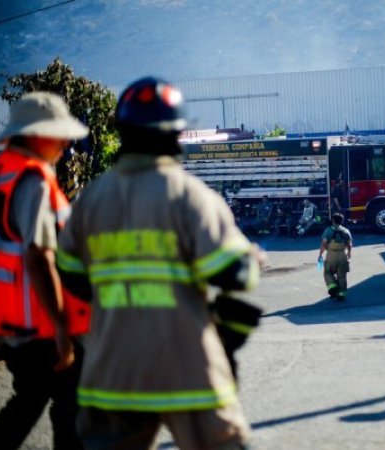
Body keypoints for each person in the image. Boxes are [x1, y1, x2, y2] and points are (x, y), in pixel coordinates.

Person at [55, 77, 263, 448]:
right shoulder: (191, 197)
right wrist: (252, 259)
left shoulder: (91, 200)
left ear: (122, 132)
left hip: (113, 374)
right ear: (174, 134)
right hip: (189, 371)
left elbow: (70, 276)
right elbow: (234, 274)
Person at [0, 92, 90, 449]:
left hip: (15, 320)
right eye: (59, 135)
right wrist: (63, 330)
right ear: (37, 135)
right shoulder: (33, 181)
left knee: (32, 400)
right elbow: (38, 257)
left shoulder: (3, 173)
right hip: (42, 325)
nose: (66, 145)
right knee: (68, 402)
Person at [318, 212, 352, 301]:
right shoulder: (346, 231)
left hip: (331, 255)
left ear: (333, 220)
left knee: (328, 272)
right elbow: (349, 244)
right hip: (342, 255)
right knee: (342, 275)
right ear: (342, 221)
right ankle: (341, 294)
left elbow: (324, 243)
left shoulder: (328, 230)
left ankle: (332, 287)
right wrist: (349, 253)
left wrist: (320, 254)